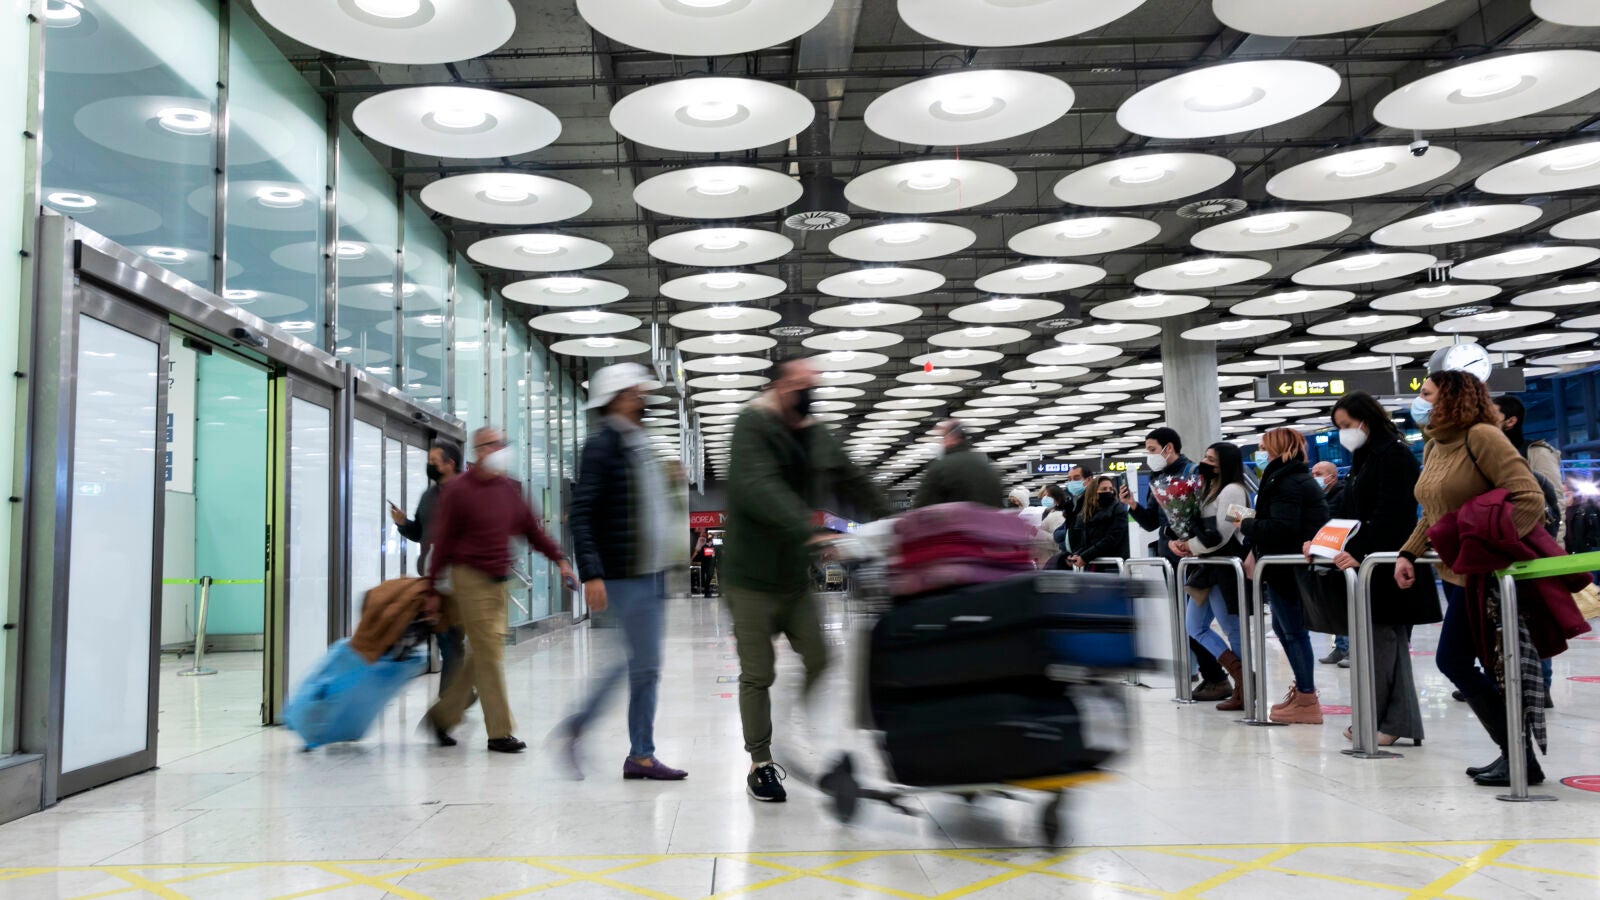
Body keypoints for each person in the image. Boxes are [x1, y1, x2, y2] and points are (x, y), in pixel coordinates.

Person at [723, 356, 890, 802]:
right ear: (780, 387)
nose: (809, 390)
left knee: (820, 658)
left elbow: (851, 477)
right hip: (749, 578)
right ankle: (760, 762)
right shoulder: (752, 426)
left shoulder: (814, 431)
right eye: (801, 383)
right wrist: (808, 530)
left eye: (812, 383)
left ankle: (790, 727)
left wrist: (896, 522)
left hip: (793, 580)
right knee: (758, 673)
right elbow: (758, 487)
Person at [1397, 371, 1550, 785]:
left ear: (1450, 397)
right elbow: (1435, 512)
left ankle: (1519, 757)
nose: (1420, 401)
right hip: (1454, 573)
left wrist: (1489, 549)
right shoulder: (1435, 445)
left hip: (1483, 574)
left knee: (1453, 660)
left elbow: (1529, 499)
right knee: (1477, 663)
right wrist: (1409, 551)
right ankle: (1518, 757)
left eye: (1426, 393)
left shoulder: (1483, 437)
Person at [559, 363, 686, 782]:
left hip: (651, 572)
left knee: (644, 666)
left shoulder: (637, 443)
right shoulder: (602, 446)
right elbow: (582, 514)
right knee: (637, 663)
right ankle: (584, 727)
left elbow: (645, 508)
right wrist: (591, 573)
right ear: (615, 399)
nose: (641, 398)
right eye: (633, 392)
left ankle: (640, 755)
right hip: (626, 573)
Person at [423, 427, 576, 753]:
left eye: (504, 444)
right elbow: (443, 540)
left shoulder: (508, 489)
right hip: (469, 578)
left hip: (498, 581)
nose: (502, 450)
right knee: (490, 655)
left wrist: (560, 560)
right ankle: (499, 732)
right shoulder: (459, 490)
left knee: (483, 654)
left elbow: (532, 531)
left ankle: (442, 715)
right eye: (495, 444)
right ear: (480, 450)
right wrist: (432, 588)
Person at [1316, 391, 1438, 745]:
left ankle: (1379, 721)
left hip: (1386, 564)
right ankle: (1394, 721)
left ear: (1366, 420)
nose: (1343, 433)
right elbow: (1349, 512)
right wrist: (1323, 543)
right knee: (1384, 647)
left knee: (1382, 648)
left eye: (1347, 425)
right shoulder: (1364, 458)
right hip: (1372, 565)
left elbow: (1393, 514)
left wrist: (1360, 551)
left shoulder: (1394, 456)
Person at [1120, 427, 1232, 702]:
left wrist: (1185, 540)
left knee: (1194, 624)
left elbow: (1201, 515)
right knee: (1186, 623)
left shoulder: (1192, 472)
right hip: (1169, 559)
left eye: (1152, 450)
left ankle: (1220, 677)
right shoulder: (1156, 478)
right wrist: (1133, 504)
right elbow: (1152, 523)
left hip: (1192, 559)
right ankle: (1212, 676)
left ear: (1168, 448)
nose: (1149, 456)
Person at [1234, 427, 1330, 725]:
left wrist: (1245, 525)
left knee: (1293, 631)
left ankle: (1306, 697)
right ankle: (1302, 691)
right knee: (1283, 626)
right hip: (1284, 566)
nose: (1259, 453)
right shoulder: (1286, 478)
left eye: (1264, 447)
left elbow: (1281, 527)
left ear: (1277, 449)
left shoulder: (1287, 482)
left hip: (1288, 567)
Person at [1170, 442, 1251, 711]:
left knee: (1232, 629)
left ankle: (1245, 688)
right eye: (1205, 457)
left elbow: (1225, 533)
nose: (1205, 462)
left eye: (1212, 459)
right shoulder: (1209, 488)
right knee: (1194, 626)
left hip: (1224, 568)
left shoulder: (1234, 490)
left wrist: (1189, 545)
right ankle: (1242, 676)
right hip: (1207, 567)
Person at [1496, 395, 1562, 706]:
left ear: (1511, 421)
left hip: (1536, 550)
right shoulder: (1488, 453)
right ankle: (1502, 681)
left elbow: (1555, 503)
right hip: (1501, 550)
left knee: (1535, 619)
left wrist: (1554, 550)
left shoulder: (1535, 453)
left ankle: (1541, 685)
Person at [391, 441, 470, 698]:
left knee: (450, 640)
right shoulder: (428, 496)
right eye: (429, 461)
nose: (429, 465)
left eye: (434, 461)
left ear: (450, 464)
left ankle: (449, 704)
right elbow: (419, 533)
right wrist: (403, 523)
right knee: (447, 640)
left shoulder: (468, 493)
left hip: (460, 579)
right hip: (432, 578)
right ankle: (461, 696)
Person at [1310, 460, 1351, 667]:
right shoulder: (1317, 498)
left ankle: (1351, 649)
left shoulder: (1341, 496)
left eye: (1319, 474)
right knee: (1333, 608)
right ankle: (1341, 646)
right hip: (1324, 559)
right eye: (1313, 473)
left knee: (1345, 606)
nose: (1314, 477)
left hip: (1339, 559)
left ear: (1332, 477)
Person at [913, 419, 1003, 508]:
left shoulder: (941, 467)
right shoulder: (989, 467)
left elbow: (922, 507)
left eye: (943, 437)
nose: (942, 442)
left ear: (953, 437)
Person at [1065, 475, 1129, 569]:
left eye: (1110, 489)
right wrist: (1077, 554)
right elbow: (1086, 542)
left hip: (1113, 565)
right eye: (1104, 489)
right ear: (1093, 492)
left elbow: (1112, 539)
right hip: (1094, 562)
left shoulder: (1118, 510)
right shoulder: (1087, 512)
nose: (1108, 491)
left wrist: (1085, 556)